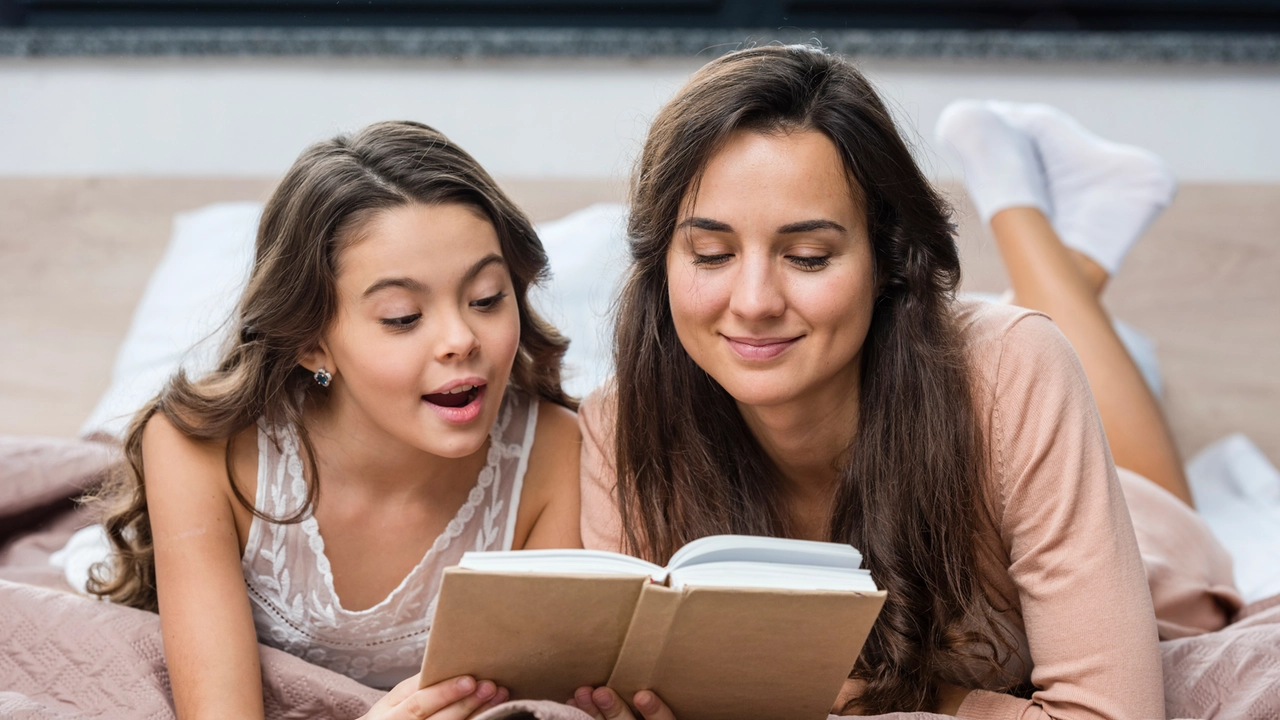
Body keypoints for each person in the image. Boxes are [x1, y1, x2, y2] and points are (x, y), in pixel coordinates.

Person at [571, 46, 1239, 719]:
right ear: (660, 261)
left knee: (1023, 351)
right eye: (711, 254)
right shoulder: (618, 429)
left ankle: (1018, 197)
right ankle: (1083, 233)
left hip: (1153, 546)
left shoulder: (1013, 372)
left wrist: (915, 699)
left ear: (887, 259)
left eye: (807, 257)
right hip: (968, 405)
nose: (753, 301)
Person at [86, 121, 584, 720]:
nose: (460, 339)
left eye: (485, 299)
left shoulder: (557, 454)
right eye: (402, 317)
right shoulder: (200, 453)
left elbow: (530, 701)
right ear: (312, 345)